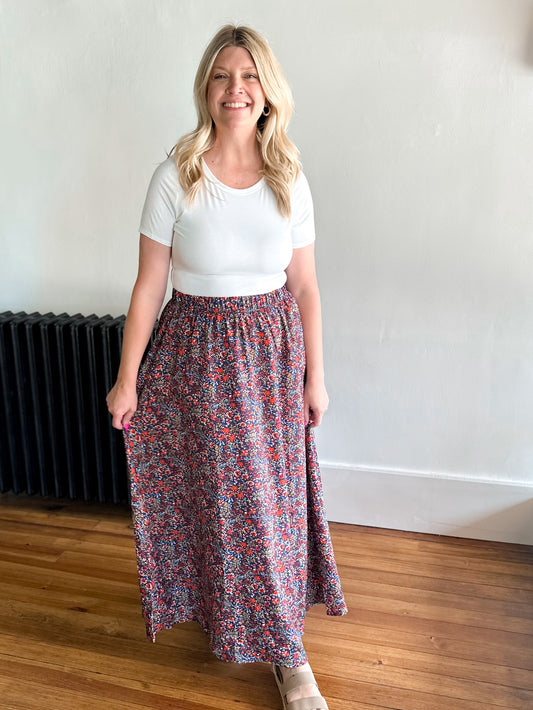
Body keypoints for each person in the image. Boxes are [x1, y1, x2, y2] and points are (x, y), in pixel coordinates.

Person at [106, 23, 348, 710]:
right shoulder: (174, 175)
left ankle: (287, 655)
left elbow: (304, 286)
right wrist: (127, 378)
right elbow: (150, 284)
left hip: (272, 357)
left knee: (268, 504)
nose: (234, 89)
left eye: (247, 76)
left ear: (267, 90)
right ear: (205, 90)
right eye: (220, 76)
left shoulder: (287, 177)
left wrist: (316, 376)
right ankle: (233, 621)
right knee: (215, 499)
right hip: (193, 357)